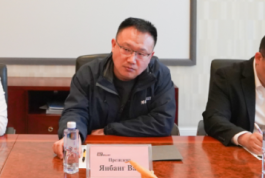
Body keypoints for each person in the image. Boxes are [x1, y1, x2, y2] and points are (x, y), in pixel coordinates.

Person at [53, 17, 176, 158]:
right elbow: (75, 111)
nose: (132, 60)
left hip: (141, 151)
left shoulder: (160, 75)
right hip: (96, 151)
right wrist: (73, 138)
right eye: (126, 49)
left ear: (150, 56)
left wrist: (110, 130)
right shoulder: (88, 73)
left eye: (141, 54)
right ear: (113, 45)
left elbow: (163, 122)